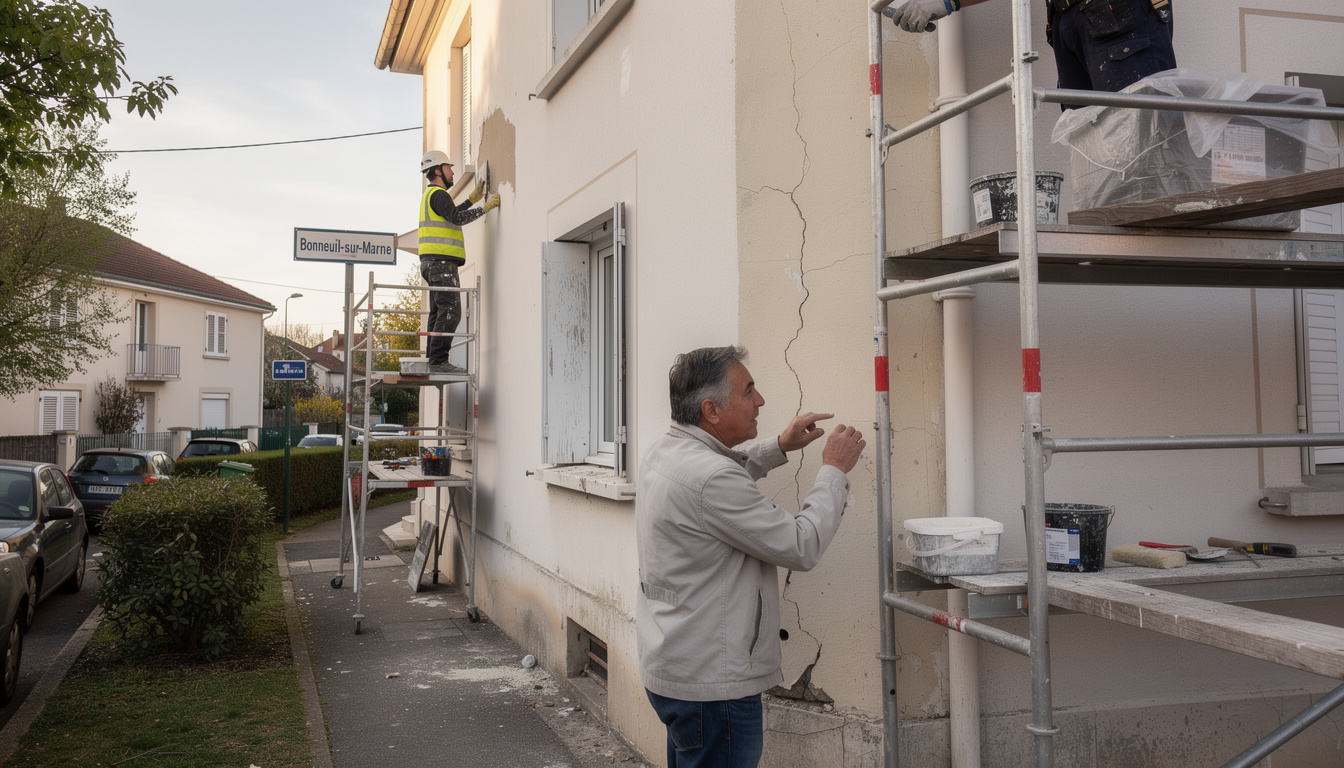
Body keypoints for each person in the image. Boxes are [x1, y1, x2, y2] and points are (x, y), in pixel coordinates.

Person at [636, 346, 866, 767]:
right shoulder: (711, 477)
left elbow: (715, 491)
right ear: (711, 410)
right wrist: (833, 470)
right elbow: (801, 545)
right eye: (748, 390)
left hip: (678, 667)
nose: (760, 400)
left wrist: (778, 446)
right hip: (714, 688)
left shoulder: (667, 451)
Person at [887, 0, 1176, 98]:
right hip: (1069, 18)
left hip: (1118, 13)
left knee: (1141, 133)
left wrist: (946, 1)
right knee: (1091, 139)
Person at [418, 149, 500, 374]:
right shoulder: (439, 194)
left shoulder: (431, 195)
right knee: (451, 311)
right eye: (448, 167)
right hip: (441, 264)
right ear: (438, 171)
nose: (452, 172)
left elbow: (451, 214)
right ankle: (438, 361)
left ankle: (432, 359)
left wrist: (471, 200)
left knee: (438, 312)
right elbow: (457, 218)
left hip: (432, 263)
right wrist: (485, 207)